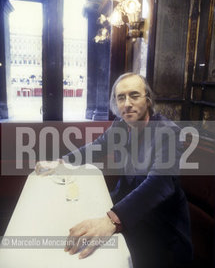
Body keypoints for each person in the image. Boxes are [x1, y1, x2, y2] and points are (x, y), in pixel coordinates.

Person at [36, 73, 193, 268]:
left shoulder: (168, 132)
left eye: (134, 95)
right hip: (127, 210)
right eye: (121, 97)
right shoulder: (121, 125)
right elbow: (98, 147)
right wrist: (61, 162)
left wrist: (112, 220)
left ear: (148, 100)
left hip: (161, 229)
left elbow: (160, 183)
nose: (127, 103)